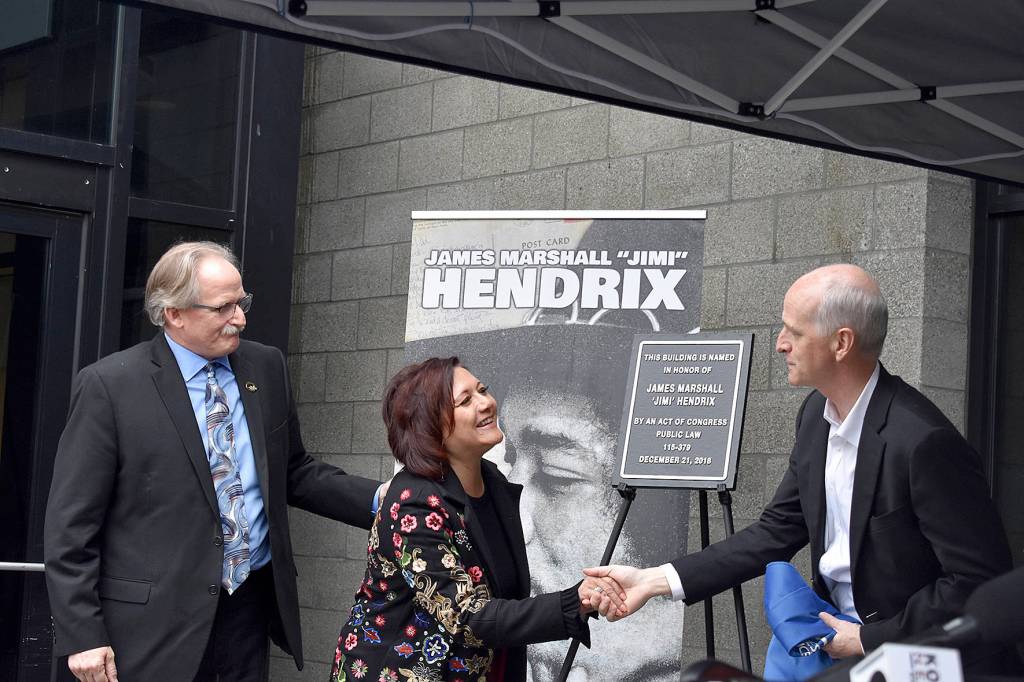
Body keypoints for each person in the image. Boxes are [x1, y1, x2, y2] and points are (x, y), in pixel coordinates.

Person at [586, 263, 1019, 674]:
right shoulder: (815, 415)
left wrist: (868, 639)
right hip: (833, 647)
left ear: (841, 343)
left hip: (913, 660)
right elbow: (775, 532)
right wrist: (653, 580)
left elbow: (976, 583)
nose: (779, 343)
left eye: (794, 331)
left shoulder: (924, 441)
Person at [44, 241, 383, 682]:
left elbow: (294, 472)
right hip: (152, 625)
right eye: (223, 308)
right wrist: (82, 634)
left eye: (241, 303)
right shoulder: (110, 387)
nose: (239, 318)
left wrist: (386, 500)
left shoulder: (265, 367)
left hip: (247, 608)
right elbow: (72, 524)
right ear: (174, 313)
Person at [330, 357, 626, 682]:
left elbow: (507, 597)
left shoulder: (493, 482)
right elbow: (467, 617)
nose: (486, 403)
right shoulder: (414, 503)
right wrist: (576, 601)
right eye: (466, 401)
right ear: (431, 426)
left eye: (482, 390)